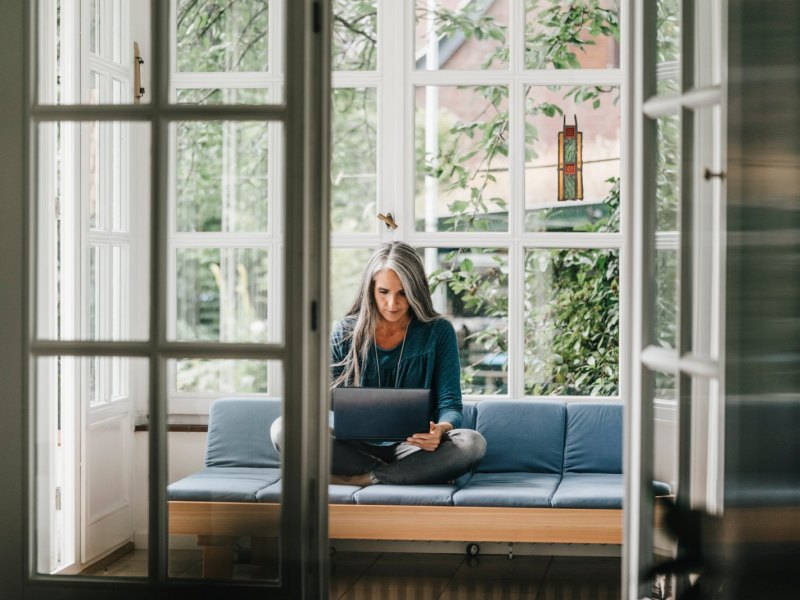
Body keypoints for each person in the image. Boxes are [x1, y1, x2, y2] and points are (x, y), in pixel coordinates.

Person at [271, 241, 486, 486]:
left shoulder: (439, 332)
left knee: (472, 444)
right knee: (283, 428)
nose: (392, 304)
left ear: (416, 290)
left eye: (403, 292)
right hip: (353, 449)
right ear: (370, 289)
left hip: (413, 449)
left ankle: (367, 478)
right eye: (384, 292)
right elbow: (324, 403)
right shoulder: (344, 331)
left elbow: (451, 405)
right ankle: (404, 474)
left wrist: (441, 429)